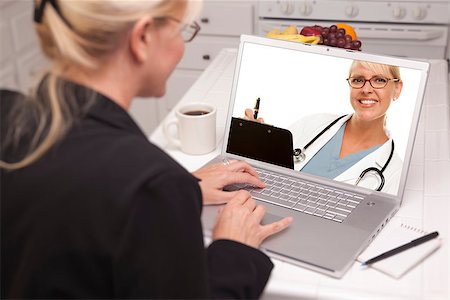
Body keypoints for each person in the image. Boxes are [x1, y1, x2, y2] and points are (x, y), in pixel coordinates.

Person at [0, 0, 292, 299]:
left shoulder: (7, 111)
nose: (181, 46)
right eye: (181, 31)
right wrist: (235, 249)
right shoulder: (151, 184)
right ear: (142, 37)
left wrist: (177, 191)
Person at [245, 60, 404, 194]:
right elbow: (269, 175)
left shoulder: (395, 173)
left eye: (379, 80)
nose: (366, 89)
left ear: (397, 89)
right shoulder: (313, 123)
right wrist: (258, 145)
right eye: (358, 80)